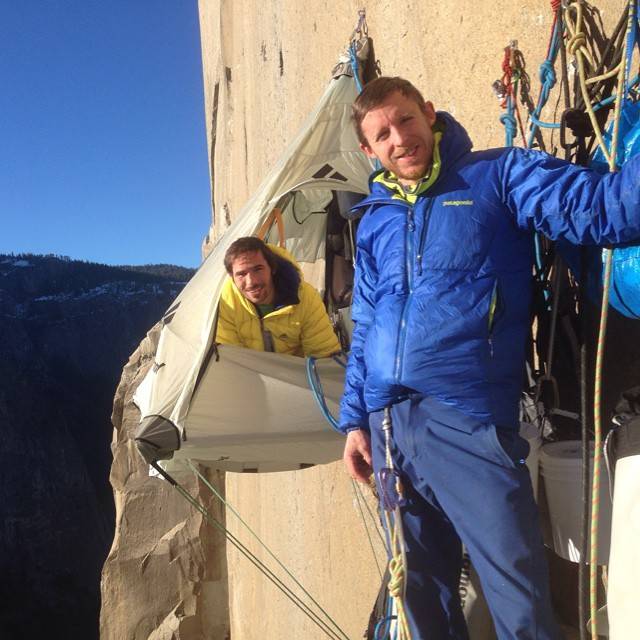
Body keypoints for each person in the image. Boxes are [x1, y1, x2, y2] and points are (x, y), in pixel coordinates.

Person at [339, 76, 640, 640]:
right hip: (387, 431)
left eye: (405, 120)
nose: (399, 139)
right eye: (382, 134)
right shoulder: (375, 219)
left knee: (517, 596)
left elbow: (601, 211)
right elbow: (367, 326)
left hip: (466, 417)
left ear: (429, 113)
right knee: (420, 596)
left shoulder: (497, 173)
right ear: (368, 150)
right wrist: (354, 419)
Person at [216, 236, 341, 358]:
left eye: (258, 269)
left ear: (272, 268)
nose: (251, 282)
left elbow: (323, 356)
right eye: (241, 274)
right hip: (251, 376)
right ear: (232, 277)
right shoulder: (227, 304)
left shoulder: (304, 297)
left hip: (297, 375)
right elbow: (231, 360)